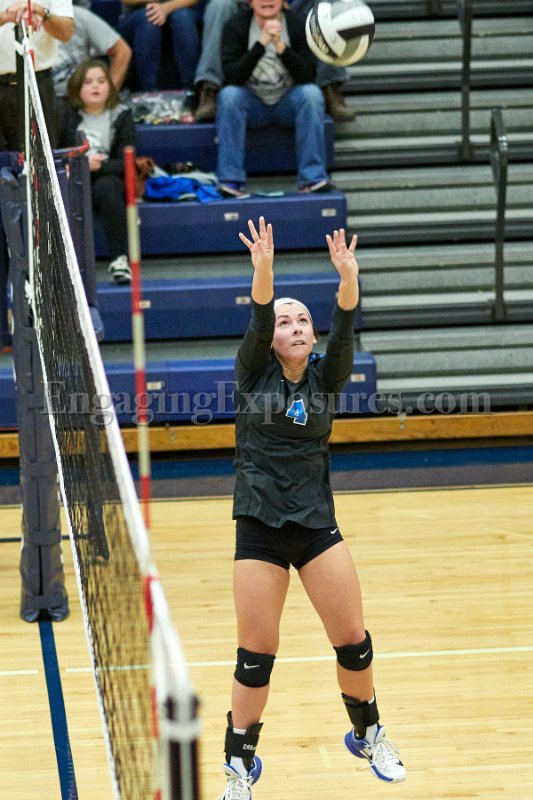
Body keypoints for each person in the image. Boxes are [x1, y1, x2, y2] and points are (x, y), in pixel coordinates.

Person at [216, 216, 406, 799]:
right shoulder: (252, 373)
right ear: (270, 339)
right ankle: (239, 766)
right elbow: (258, 314)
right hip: (259, 529)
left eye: (302, 320)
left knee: (354, 641)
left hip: (317, 525)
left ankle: (367, 733)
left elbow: (344, 328)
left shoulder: (326, 377)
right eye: (285, 321)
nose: (295, 326)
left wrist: (348, 277)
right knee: (256, 657)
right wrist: (265, 271)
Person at [216, 0, 332, 198]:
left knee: (311, 94)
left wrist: (280, 46)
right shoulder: (235, 25)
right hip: (253, 104)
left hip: (287, 103)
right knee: (229, 96)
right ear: (250, 2)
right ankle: (230, 179)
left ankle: (311, 178)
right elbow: (232, 77)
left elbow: (308, 75)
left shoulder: (298, 24)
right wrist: (260, 44)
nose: (267, 1)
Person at [193, 0, 354, 122]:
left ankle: (329, 86)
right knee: (219, 5)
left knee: (325, 5)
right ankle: (210, 88)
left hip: (293, 5)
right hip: (249, 4)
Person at [58, 59, 134, 283]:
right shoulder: (66, 115)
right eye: (88, 82)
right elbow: (57, 154)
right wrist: (78, 163)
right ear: (77, 87)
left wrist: (100, 165)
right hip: (74, 178)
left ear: (110, 85)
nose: (95, 86)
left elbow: (127, 162)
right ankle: (64, 264)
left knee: (109, 186)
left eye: (101, 81)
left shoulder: (122, 115)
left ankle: (120, 260)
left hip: (107, 179)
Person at [0, 0, 74, 150]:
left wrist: (41, 12)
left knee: (40, 158)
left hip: (37, 83)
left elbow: (66, 33)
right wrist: (7, 17)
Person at [118, 0, 205, 96]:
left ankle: (193, 91)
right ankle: (148, 92)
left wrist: (166, 7)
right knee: (149, 18)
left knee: (182, 18)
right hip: (136, 18)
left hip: (180, 11)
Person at [53, 6, 132, 97]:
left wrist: (109, 97)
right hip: (46, 99)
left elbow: (122, 51)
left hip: (82, 97)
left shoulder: (77, 16)